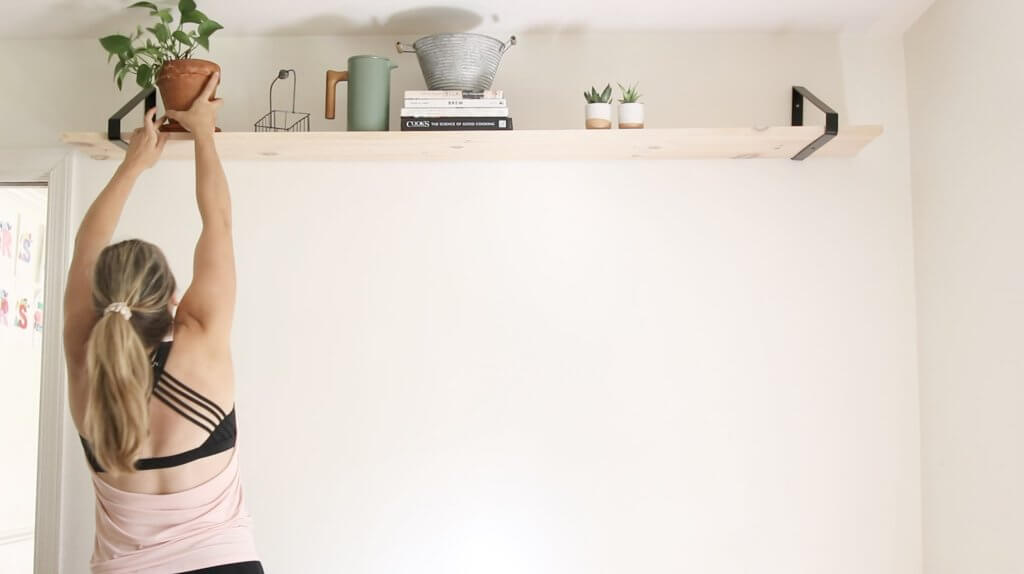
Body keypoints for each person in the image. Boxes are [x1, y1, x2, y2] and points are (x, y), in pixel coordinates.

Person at [63, 73, 263, 574]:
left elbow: (86, 245)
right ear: (174, 299)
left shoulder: (87, 366)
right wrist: (202, 133)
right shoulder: (200, 343)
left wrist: (132, 165)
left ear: (100, 301)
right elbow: (218, 221)